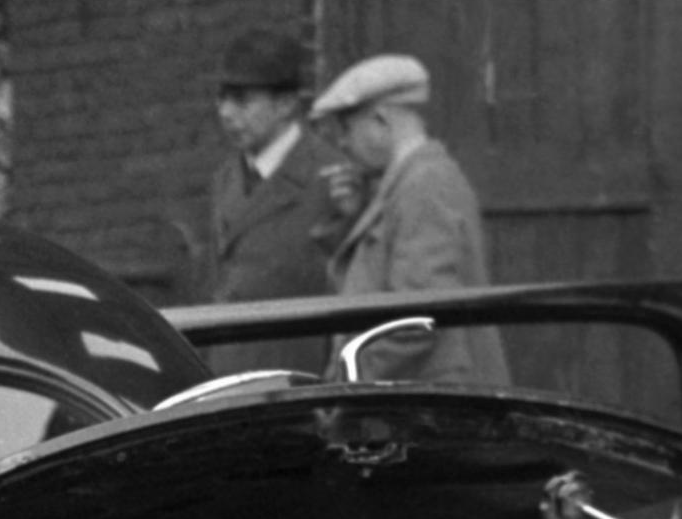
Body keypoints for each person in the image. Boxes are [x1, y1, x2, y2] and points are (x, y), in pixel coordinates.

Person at [311, 50, 505, 388]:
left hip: (436, 401)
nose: (342, 143)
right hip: (420, 398)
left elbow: (415, 320)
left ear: (381, 120)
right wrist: (352, 215)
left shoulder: (424, 185)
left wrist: (349, 383)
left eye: (346, 128)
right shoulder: (404, 185)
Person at [196, 28, 333, 305]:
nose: (225, 112)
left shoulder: (330, 176)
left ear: (285, 104)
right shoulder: (225, 179)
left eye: (241, 100)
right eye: (222, 98)